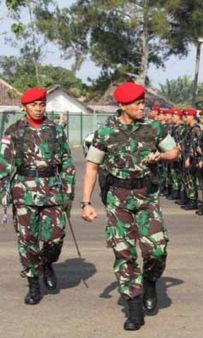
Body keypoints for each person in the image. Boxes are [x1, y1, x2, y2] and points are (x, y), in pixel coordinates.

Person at [81, 82, 179, 331]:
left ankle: (149, 281)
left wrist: (162, 155)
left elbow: (175, 152)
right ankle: (133, 306)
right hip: (118, 199)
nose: (141, 106)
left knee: (156, 250)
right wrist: (86, 203)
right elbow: (92, 167)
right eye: (136, 103)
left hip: (147, 198)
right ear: (122, 106)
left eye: (142, 102)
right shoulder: (105, 133)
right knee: (124, 253)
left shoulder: (154, 128)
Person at [0, 88, 76, 305]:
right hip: (23, 191)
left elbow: (67, 162)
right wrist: (2, 192)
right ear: (24, 107)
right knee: (27, 239)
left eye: (42, 104)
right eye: (34, 105)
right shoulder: (13, 130)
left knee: (55, 236)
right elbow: (3, 164)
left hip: (52, 189)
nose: (38, 108)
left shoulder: (56, 130)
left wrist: (69, 191)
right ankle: (33, 283)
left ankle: (47, 263)